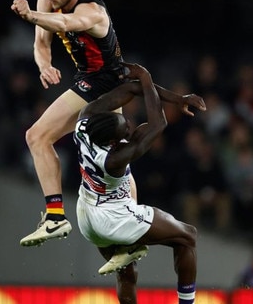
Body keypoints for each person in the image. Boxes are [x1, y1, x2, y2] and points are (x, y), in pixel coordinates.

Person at [10, 0, 179, 247]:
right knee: (115, 163)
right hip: (91, 80)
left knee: (37, 136)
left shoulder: (92, 11)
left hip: (105, 84)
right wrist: (44, 65)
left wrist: (29, 15)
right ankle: (131, 242)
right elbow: (42, 42)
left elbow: (64, 24)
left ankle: (54, 217)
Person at [75, 62, 205, 304]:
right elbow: (159, 125)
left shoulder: (84, 123)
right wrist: (145, 73)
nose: (129, 128)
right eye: (125, 131)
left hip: (87, 215)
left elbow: (133, 90)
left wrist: (176, 98)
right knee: (188, 237)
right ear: (113, 142)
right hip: (113, 217)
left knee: (127, 272)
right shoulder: (114, 160)